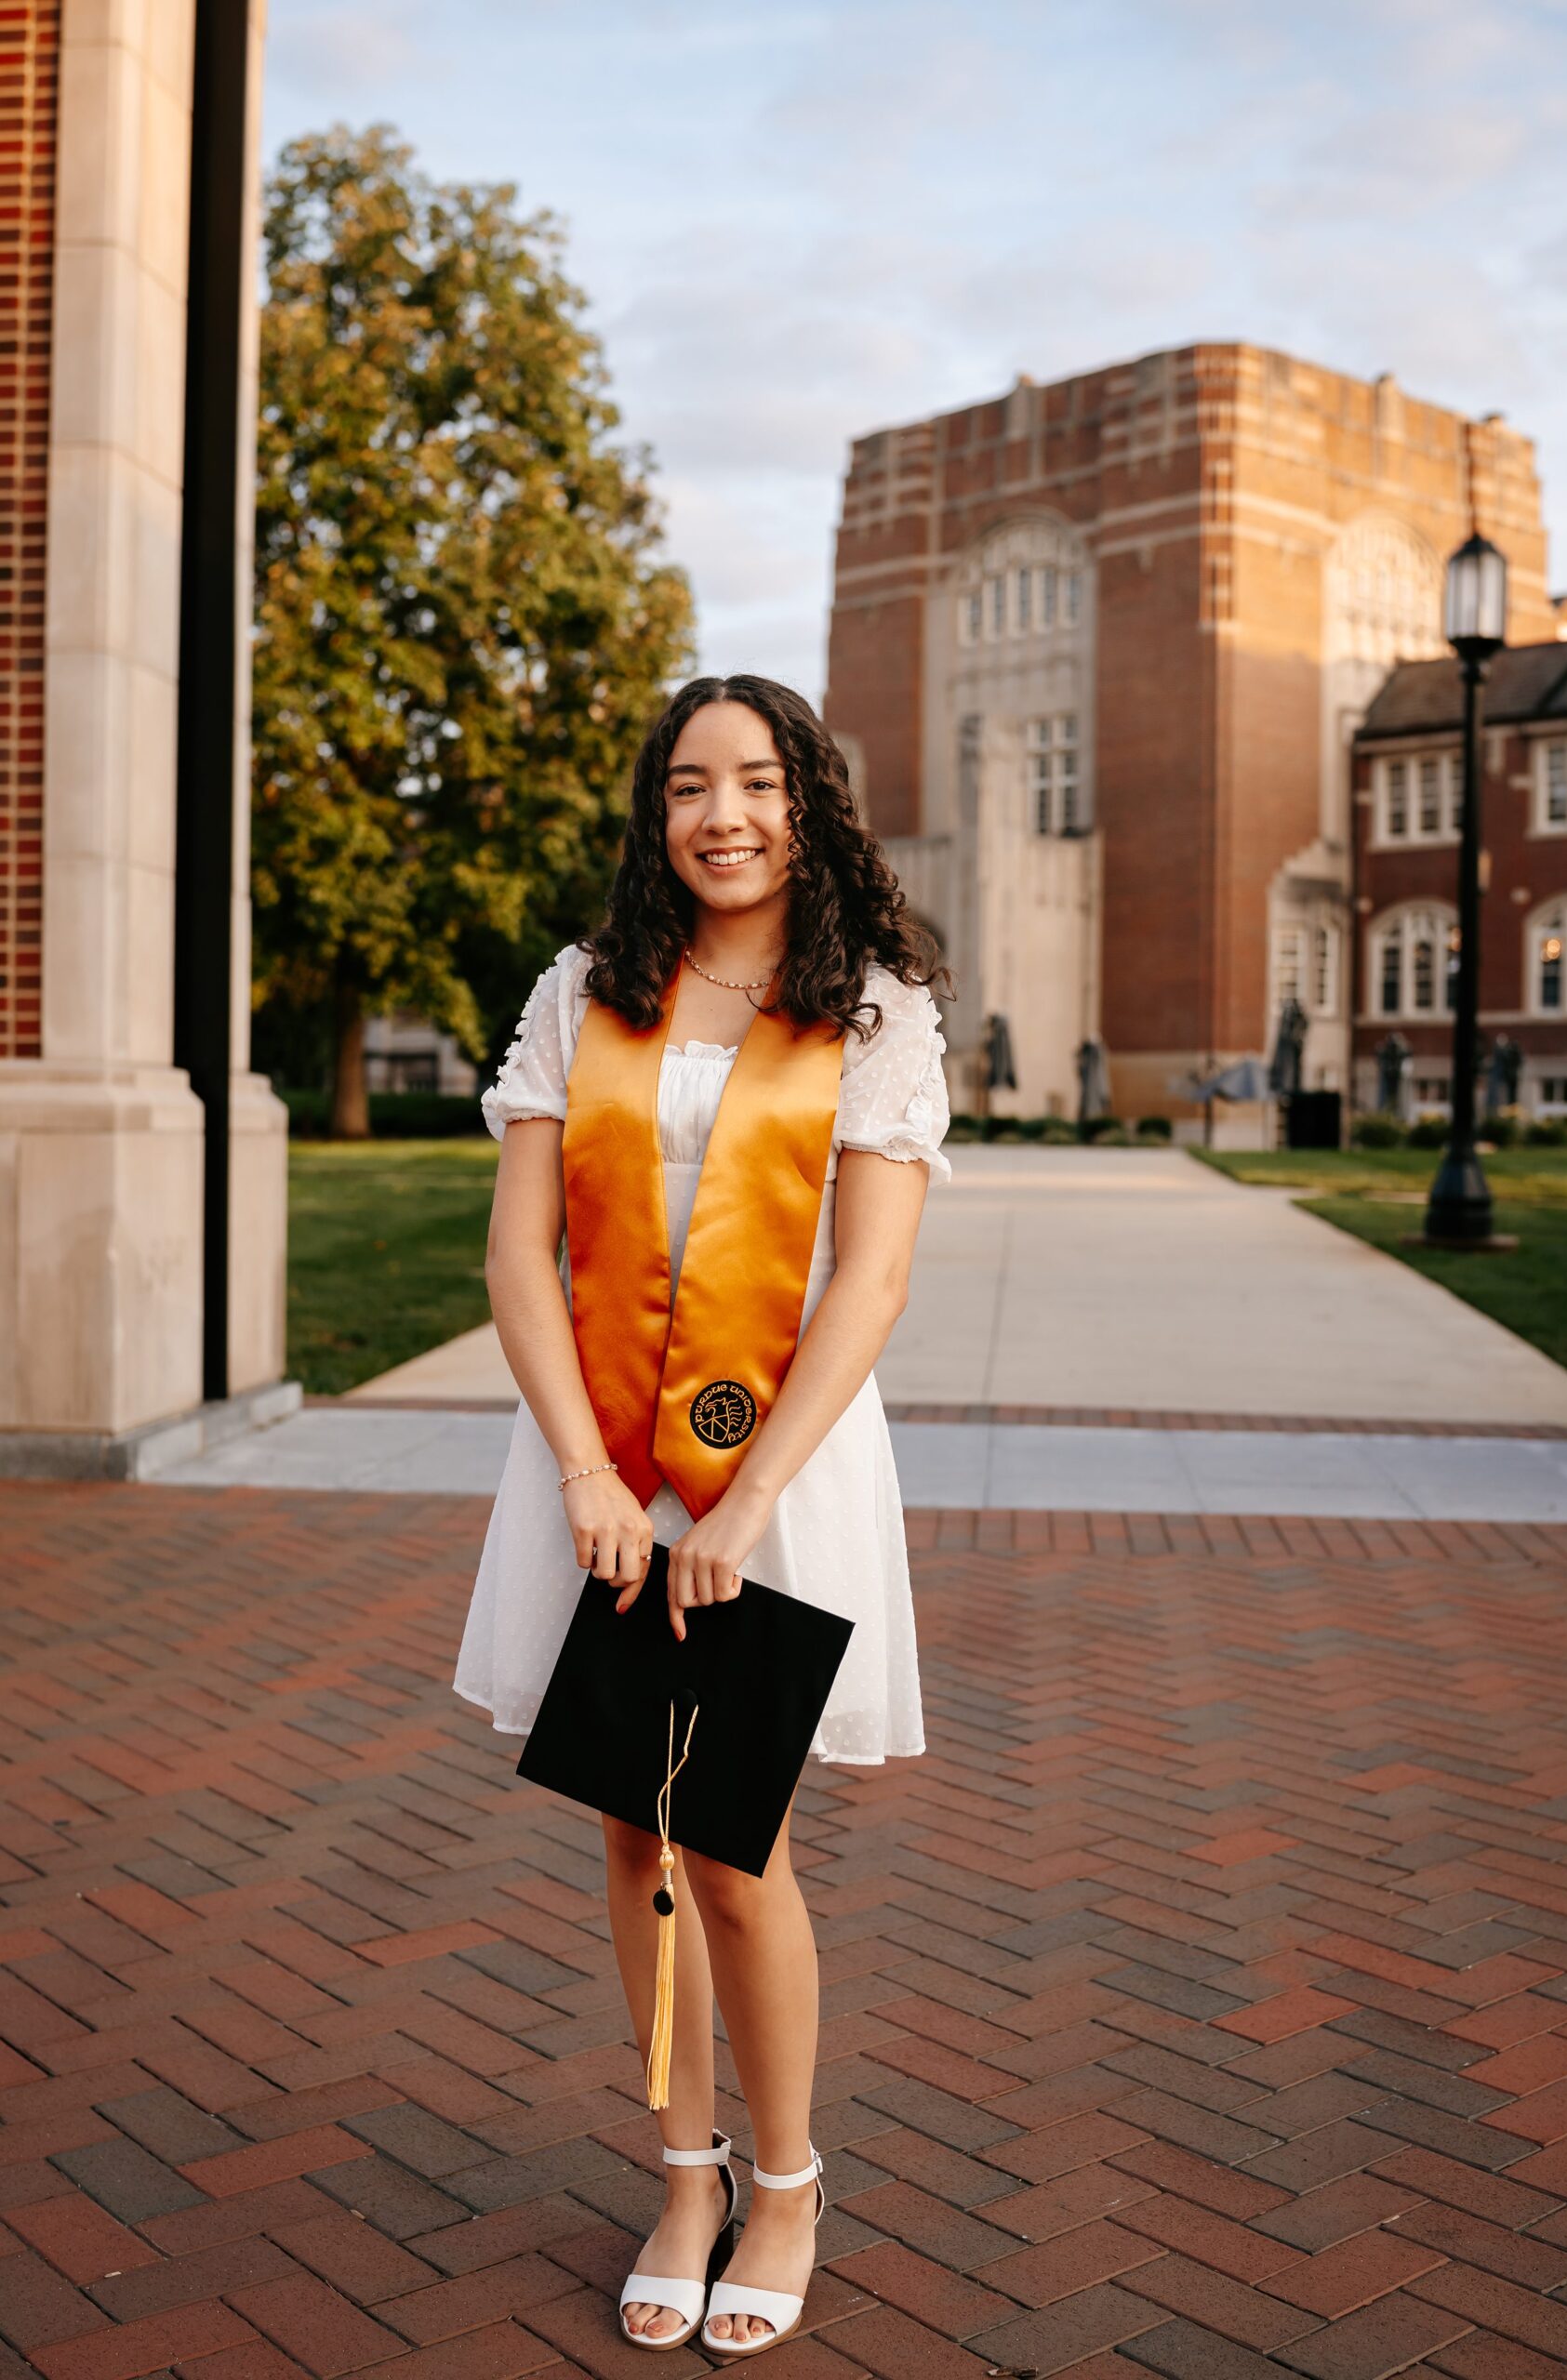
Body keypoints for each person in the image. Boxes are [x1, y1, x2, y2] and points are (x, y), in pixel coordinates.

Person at [452, 672, 952, 2358]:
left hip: (773, 1470)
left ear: (808, 800)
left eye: (754, 780)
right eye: (687, 786)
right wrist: (592, 1471)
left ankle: (791, 2183)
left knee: (735, 1848)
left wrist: (747, 1502)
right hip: (592, 1455)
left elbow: (869, 1287)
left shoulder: (872, 1015)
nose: (721, 813)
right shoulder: (584, 996)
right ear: (655, 816)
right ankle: (685, 2169)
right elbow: (523, 1254)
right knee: (625, 1831)